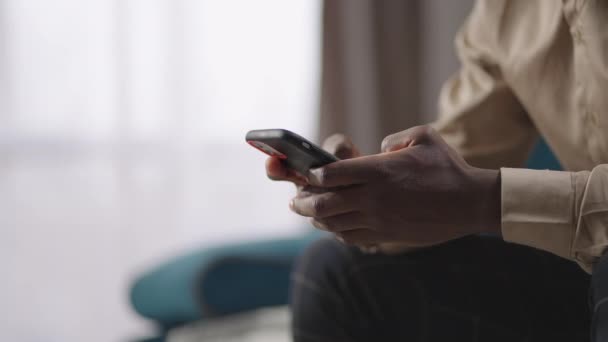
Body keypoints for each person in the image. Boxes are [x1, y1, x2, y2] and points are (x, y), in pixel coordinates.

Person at [266, 0, 608, 341]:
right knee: (335, 272)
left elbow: (471, 193)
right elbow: (465, 153)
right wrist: (372, 192)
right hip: (584, 270)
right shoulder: (507, 11)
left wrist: (485, 201)